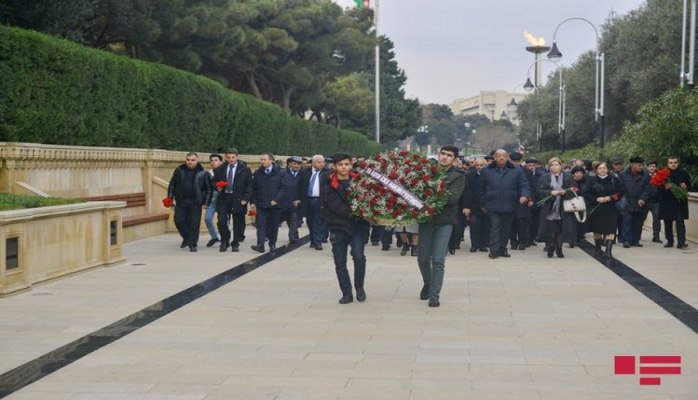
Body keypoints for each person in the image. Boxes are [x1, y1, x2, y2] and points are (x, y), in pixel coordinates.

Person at [417, 145, 466, 307]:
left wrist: (431, 189)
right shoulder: (426, 171)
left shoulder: (458, 176)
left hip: (445, 221)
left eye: (449, 155)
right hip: (426, 220)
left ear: (454, 159)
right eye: (443, 154)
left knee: (438, 259)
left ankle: (434, 295)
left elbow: (452, 199)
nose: (445, 157)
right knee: (423, 259)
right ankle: (428, 282)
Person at [321, 152, 368, 304]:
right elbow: (335, 206)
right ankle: (346, 293)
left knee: (359, 257)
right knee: (340, 261)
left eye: (346, 164)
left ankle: (359, 287)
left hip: (357, 226)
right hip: (338, 226)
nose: (343, 167)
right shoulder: (327, 183)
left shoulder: (359, 181)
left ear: (351, 165)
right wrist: (360, 213)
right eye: (340, 164)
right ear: (334, 166)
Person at [479, 149, 530, 259]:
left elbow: (524, 184)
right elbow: (480, 188)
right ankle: (494, 251)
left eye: (503, 156)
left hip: (510, 203)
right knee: (495, 227)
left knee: (506, 228)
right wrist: (483, 203)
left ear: (507, 157)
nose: (501, 158)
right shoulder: (486, 170)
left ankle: (502, 249)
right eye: (498, 156)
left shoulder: (516, 170)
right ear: (495, 158)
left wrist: (524, 195)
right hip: (492, 204)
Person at [166, 152, 212, 252]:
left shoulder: (203, 172)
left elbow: (209, 189)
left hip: (195, 201)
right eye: (188, 160)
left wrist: (206, 202)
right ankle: (187, 237)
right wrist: (169, 198)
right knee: (178, 220)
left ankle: (192, 244)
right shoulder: (179, 170)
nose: (190, 162)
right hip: (181, 200)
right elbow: (172, 185)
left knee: (194, 223)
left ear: (197, 160)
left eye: (192, 160)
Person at [213, 148, 253, 252]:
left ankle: (235, 242)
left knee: (238, 222)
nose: (231, 159)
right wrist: (217, 186)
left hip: (238, 198)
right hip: (224, 197)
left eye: (233, 157)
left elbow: (250, 185)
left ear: (237, 157)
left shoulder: (244, 169)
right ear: (226, 157)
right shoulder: (220, 169)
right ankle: (225, 240)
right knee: (221, 220)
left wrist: (246, 198)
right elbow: (213, 182)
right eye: (229, 157)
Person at [582, 162, 625, 258]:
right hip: (597, 208)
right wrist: (596, 198)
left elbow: (621, 192)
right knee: (597, 229)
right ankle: (597, 248)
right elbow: (586, 193)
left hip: (610, 208)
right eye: (600, 168)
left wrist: (611, 198)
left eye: (604, 168)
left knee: (611, 229)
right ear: (596, 170)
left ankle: (608, 251)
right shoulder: (591, 181)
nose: (602, 170)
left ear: (608, 169)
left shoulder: (614, 180)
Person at [536, 157, 576, 258]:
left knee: (561, 229)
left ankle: (559, 248)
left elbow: (575, 189)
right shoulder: (544, 177)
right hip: (550, 207)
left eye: (556, 165)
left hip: (563, 207)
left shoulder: (567, 177)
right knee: (551, 229)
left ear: (561, 166)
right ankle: (552, 246)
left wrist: (566, 192)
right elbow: (539, 191)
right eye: (552, 165)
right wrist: (550, 193)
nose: (554, 167)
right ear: (549, 167)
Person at [250, 152, 287, 253]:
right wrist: (253, 201)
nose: (262, 161)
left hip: (275, 204)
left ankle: (272, 244)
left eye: (264, 159)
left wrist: (276, 200)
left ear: (271, 160)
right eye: (261, 159)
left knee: (274, 225)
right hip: (262, 203)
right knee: (260, 225)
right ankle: (260, 245)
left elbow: (284, 188)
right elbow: (255, 188)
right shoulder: (258, 173)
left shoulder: (281, 172)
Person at [618, 156, 651, 248]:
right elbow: (620, 188)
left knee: (638, 222)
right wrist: (623, 199)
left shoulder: (645, 175)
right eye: (639, 165)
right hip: (627, 201)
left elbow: (647, 188)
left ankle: (635, 240)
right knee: (627, 221)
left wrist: (643, 198)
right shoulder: (623, 174)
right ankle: (626, 240)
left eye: (641, 165)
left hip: (640, 202)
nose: (641, 167)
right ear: (633, 165)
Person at [658, 156, 691, 249]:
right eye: (671, 163)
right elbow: (658, 189)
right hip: (667, 201)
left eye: (675, 162)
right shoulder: (663, 174)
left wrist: (685, 187)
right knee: (667, 222)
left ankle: (681, 242)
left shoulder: (684, 174)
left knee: (680, 221)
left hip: (680, 202)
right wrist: (664, 188)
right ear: (667, 164)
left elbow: (690, 186)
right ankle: (669, 241)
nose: (673, 164)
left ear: (678, 163)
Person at [298, 155, 329, 250]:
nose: (322, 164)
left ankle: (318, 242)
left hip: (321, 201)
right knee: (310, 221)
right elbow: (298, 186)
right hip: (307, 200)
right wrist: (296, 198)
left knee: (319, 221)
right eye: (319, 162)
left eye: (323, 162)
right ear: (313, 163)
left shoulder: (327, 173)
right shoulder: (304, 172)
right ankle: (313, 239)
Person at [463, 157, 489, 253]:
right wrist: (466, 206)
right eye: (477, 165)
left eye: (481, 165)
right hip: (474, 205)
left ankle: (483, 245)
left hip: (486, 205)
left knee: (485, 226)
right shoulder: (469, 176)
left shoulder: (490, 175)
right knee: (474, 225)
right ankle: (474, 245)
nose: (479, 167)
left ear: (485, 165)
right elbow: (467, 191)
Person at [508, 151, 532, 250]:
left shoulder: (527, 171)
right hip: (510, 199)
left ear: (521, 161)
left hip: (523, 199)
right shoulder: (507, 170)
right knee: (511, 222)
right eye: (514, 161)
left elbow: (531, 186)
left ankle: (523, 241)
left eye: (518, 161)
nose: (516, 163)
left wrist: (529, 198)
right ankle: (513, 242)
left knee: (522, 222)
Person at [282, 156, 303, 244]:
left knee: (294, 219)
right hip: (284, 200)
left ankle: (293, 237)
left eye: (298, 164)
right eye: (294, 164)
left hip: (296, 201)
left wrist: (299, 199)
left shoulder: (303, 174)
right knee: (286, 219)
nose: (296, 166)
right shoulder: (284, 173)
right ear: (290, 164)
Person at [204, 153, 223, 247]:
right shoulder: (208, 173)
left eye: (216, 160)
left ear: (220, 162)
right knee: (207, 218)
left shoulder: (224, 172)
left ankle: (224, 238)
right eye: (212, 160)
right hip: (212, 199)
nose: (214, 162)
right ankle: (214, 237)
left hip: (222, 199)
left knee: (223, 221)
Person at [643, 160, 662, 243]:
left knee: (657, 219)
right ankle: (636, 236)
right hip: (645, 201)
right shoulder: (643, 175)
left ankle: (656, 236)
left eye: (653, 166)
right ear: (647, 167)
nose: (652, 168)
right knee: (641, 218)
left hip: (656, 201)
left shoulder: (660, 176)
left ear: (656, 167)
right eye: (650, 166)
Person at [570, 166, 589, 245]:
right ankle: (572, 239)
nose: (579, 174)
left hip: (584, 204)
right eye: (577, 173)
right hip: (573, 204)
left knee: (582, 221)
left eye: (581, 173)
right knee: (572, 222)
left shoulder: (586, 182)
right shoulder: (570, 182)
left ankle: (580, 237)